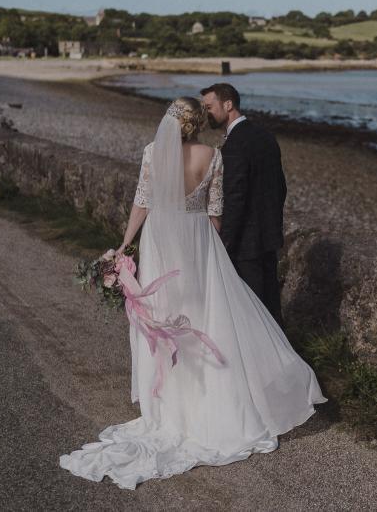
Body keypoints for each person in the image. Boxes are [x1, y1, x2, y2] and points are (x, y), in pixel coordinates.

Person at [59, 97, 326, 490]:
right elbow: (215, 213)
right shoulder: (213, 155)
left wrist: (123, 246)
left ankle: (172, 407)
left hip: (161, 241)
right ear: (200, 123)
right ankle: (212, 402)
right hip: (198, 240)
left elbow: (141, 204)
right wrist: (207, 246)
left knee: (163, 319)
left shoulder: (153, 152)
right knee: (206, 316)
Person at [200, 83, 287, 327]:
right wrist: (271, 222)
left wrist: (226, 242)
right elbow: (280, 187)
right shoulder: (265, 136)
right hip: (268, 235)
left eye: (209, 106)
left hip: (245, 242)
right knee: (271, 305)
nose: (206, 112)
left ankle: (265, 362)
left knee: (252, 309)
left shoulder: (235, 144)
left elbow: (235, 197)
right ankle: (282, 355)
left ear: (228, 105)